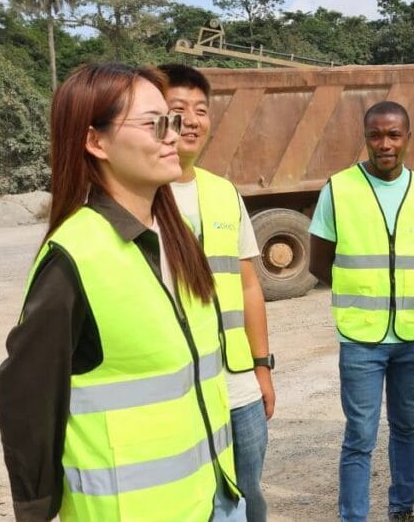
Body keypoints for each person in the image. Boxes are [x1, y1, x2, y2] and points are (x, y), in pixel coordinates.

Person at [0, 63, 243, 521]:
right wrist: (35, 510)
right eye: (155, 124)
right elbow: (26, 401)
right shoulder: (75, 256)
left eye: (172, 121)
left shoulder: (176, 236)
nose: (174, 135)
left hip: (213, 497)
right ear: (96, 141)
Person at [308, 101, 414, 522]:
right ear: (365, 138)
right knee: (360, 436)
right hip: (361, 338)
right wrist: (363, 294)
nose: (385, 144)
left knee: (406, 427)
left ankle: (402, 510)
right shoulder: (339, 189)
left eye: (394, 135)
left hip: (413, 335)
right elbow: (319, 263)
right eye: (376, 135)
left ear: (408, 138)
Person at [159, 63, 275, 522]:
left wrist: (262, 367)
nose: (191, 120)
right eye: (178, 109)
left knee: (249, 493)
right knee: (191, 501)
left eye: (201, 110)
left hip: (237, 383)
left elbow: (248, 285)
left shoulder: (225, 192)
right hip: (179, 386)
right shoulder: (140, 195)